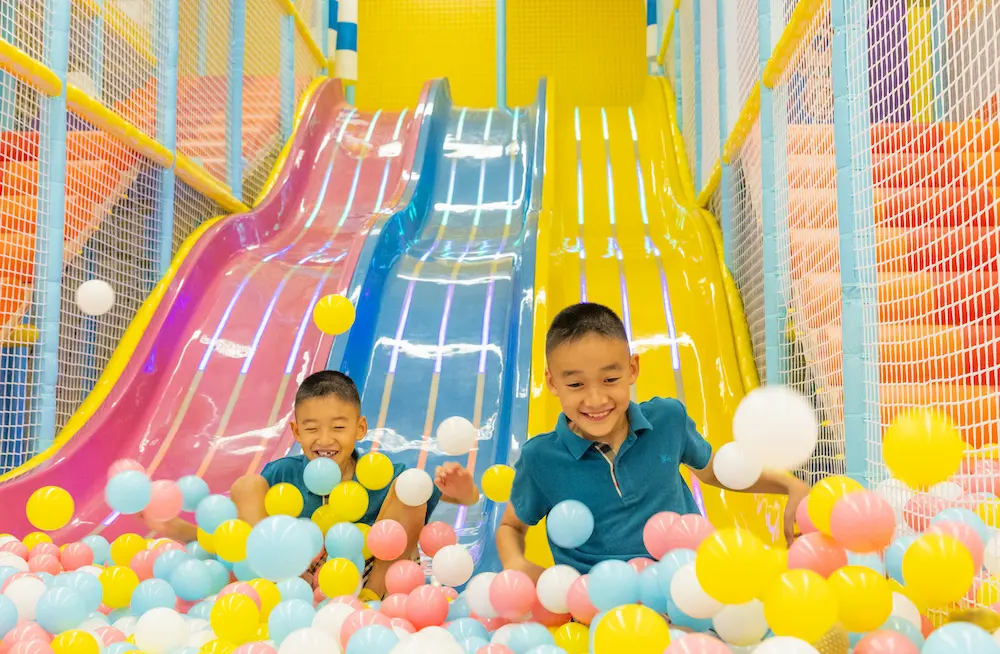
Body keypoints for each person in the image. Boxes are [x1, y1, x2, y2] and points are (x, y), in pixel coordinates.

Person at [496, 302, 809, 580]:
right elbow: (511, 526)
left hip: (686, 583)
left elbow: (715, 470)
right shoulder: (541, 458)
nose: (595, 398)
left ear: (632, 369)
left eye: (610, 379)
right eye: (576, 384)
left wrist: (789, 486)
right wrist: (516, 563)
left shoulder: (667, 420)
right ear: (552, 382)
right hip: (602, 603)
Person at [147, 370, 480, 597]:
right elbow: (237, 527)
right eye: (311, 428)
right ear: (295, 432)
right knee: (248, 486)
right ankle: (276, 581)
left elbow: (457, 499)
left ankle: (371, 600)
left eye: (338, 428)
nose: (325, 439)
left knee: (413, 485)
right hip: (298, 570)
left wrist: (464, 491)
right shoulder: (284, 473)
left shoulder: (380, 471)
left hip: (374, 568)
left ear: (360, 429)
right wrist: (186, 531)